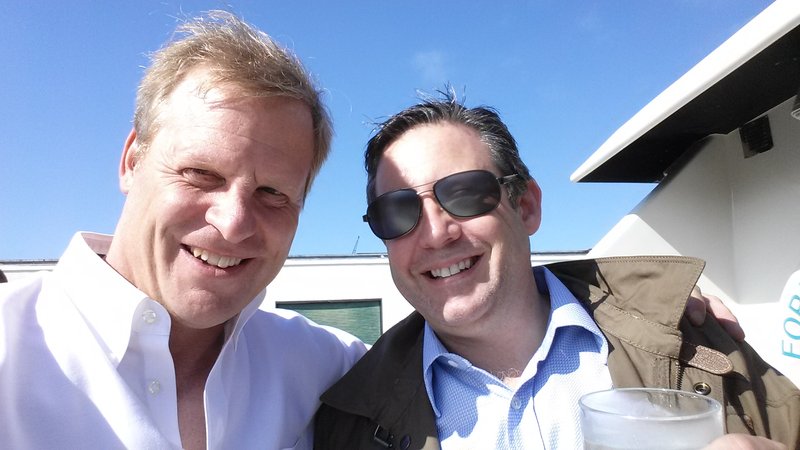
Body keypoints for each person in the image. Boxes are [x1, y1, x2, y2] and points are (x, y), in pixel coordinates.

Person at [314, 92, 800, 449]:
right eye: (397, 212)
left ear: (525, 206)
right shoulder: (347, 419)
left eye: (464, 193)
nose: (435, 234)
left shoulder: (696, 341)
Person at [0, 11, 366, 449]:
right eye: (201, 173)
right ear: (132, 161)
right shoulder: (10, 352)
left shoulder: (332, 368)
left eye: (272, 193)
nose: (233, 223)